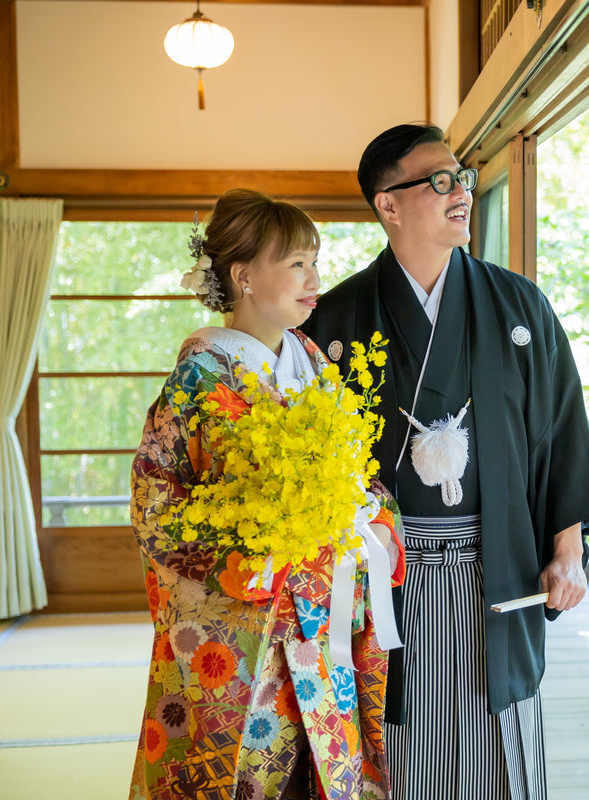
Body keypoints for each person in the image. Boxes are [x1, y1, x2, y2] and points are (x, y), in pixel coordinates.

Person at [299, 124, 589, 799]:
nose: (461, 192)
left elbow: (563, 432)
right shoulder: (336, 317)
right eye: (440, 181)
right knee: (400, 737)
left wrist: (569, 551)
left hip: (501, 565)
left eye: (462, 178)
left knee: (502, 742)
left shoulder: (519, 305)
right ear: (388, 203)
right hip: (386, 576)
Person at [129, 188, 406, 800]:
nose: (315, 279)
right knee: (241, 773)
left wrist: (375, 519)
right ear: (244, 275)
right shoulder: (202, 376)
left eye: (315, 261)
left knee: (323, 773)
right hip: (239, 626)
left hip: (318, 616)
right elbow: (155, 503)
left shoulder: (310, 362)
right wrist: (240, 555)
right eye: (298, 264)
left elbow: (356, 472)